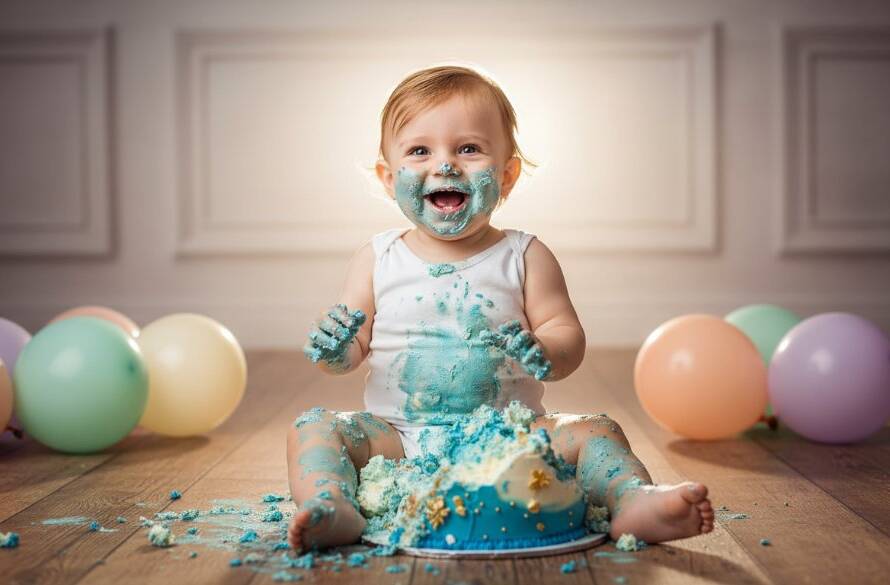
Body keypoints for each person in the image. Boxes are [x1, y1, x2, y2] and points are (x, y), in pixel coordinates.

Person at [287, 64, 714, 551]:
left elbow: (567, 337)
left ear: (507, 174)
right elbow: (350, 354)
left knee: (596, 429)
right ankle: (331, 503)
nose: (445, 165)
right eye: (419, 150)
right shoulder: (378, 257)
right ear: (388, 177)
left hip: (514, 440)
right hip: (398, 441)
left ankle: (632, 499)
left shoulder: (525, 255)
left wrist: (545, 350)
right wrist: (335, 348)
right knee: (314, 427)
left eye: (468, 149)